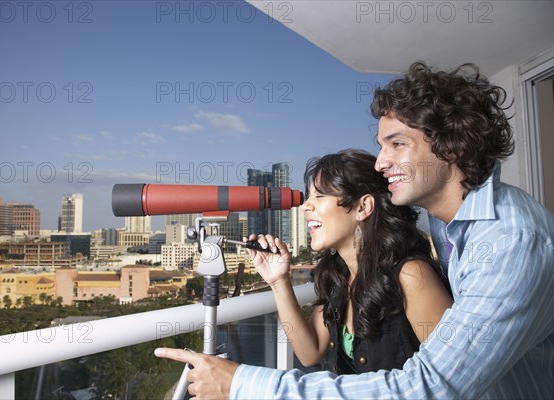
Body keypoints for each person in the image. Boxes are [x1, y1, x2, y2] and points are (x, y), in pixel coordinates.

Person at [155, 62, 554, 399]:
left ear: (452, 147)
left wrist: (243, 383)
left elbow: (433, 386)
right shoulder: (447, 222)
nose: (381, 163)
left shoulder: (509, 242)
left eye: (397, 144)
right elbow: (311, 354)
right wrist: (278, 281)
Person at [244, 148, 452, 376]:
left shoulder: (412, 276)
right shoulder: (338, 278)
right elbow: (309, 352)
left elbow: (451, 377)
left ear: (363, 207)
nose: (305, 207)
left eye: (320, 196)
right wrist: (279, 281)